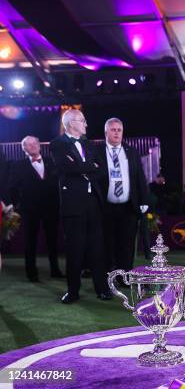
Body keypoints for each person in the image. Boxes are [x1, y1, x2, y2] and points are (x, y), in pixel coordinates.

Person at [50, 109, 111, 303]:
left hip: (93, 203)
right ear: (71, 123)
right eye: (83, 121)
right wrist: (89, 168)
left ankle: (102, 289)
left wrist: (84, 170)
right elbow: (66, 167)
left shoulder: (89, 143)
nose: (86, 124)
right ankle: (73, 291)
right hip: (72, 205)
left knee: (97, 249)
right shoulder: (57, 144)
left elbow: (102, 170)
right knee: (75, 249)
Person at [97, 118, 149, 274]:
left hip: (128, 206)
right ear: (106, 132)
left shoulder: (131, 151)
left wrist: (144, 200)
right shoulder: (96, 152)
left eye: (119, 130)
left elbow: (140, 177)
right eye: (113, 130)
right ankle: (109, 276)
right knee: (107, 243)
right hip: (105, 207)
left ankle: (125, 275)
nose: (116, 133)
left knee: (126, 244)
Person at [8, 136, 63, 281]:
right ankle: (31, 273)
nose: (32, 146)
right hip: (29, 210)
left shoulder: (52, 162)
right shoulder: (17, 165)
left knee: (52, 240)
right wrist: (19, 205)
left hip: (51, 208)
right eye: (28, 145)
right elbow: (12, 188)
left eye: (34, 143)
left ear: (39, 145)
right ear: (24, 149)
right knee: (30, 242)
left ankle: (55, 270)